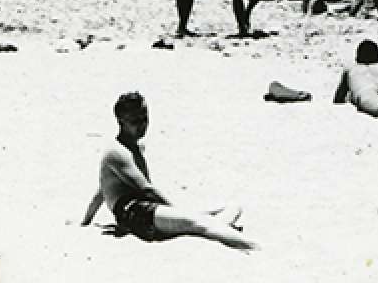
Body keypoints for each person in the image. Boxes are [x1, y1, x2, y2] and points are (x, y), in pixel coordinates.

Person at [80, 91, 256, 250]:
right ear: (121, 121)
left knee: (232, 207)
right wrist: (177, 210)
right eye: (135, 121)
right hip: (133, 212)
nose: (142, 125)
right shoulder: (116, 151)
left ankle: (212, 229)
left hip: (147, 209)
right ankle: (255, 248)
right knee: (198, 223)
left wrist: (86, 221)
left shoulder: (136, 147)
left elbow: (102, 188)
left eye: (145, 118)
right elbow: (146, 189)